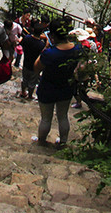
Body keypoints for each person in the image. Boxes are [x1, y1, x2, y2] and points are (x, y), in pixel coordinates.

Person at [34, 17, 85, 146]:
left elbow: (36, 67)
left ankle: (41, 141)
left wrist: (45, 49)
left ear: (52, 35)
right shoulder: (77, 49)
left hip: (47, 88)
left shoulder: (50, 53)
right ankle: (63, 141)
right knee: (63, 116)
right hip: (66, 87)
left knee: (46, 118)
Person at [19, 21, 47, 100]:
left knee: (24, 79)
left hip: (26, 62)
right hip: (35, 66)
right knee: (32, 82)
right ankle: (30, 95)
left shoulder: (27, 38)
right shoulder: (41, 45)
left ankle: (23, 92)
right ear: (41, 33)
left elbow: (22, 44)